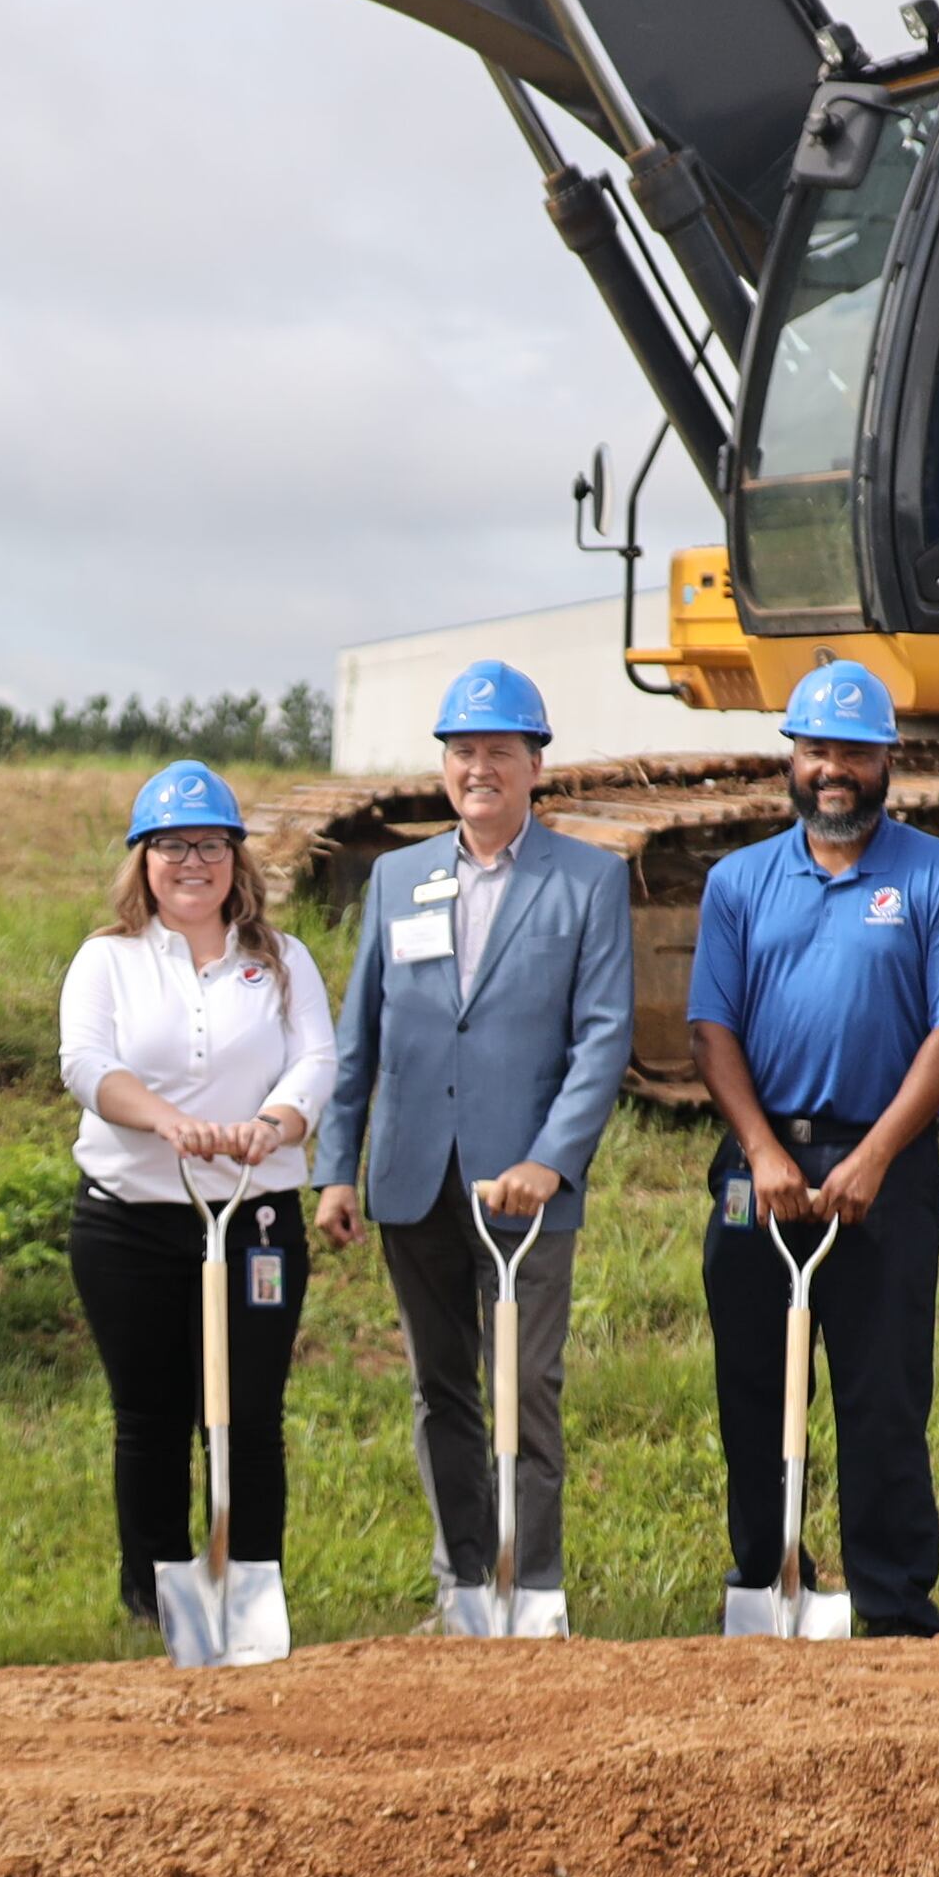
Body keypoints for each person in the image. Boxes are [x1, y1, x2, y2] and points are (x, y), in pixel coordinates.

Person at [312, 660, 633, 1630]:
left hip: (524, 1188)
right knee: (439, 1389)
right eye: (464, 751)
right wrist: (336, 1167)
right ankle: (462, 1586)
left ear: (537, 766)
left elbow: (604, 1034)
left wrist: (552, 1158)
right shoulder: (397, 878)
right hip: (413, 1177)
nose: (480, 766)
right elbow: (359, 1032)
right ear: (444, 768)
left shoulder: (588, 879)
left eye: (501, 749)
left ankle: (531, 1590)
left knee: (524, 1384)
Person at [687, 659, 939, 1638]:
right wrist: (764, 1152)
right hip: (760, 1170)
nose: (835, 770)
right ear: (792, 757)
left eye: (855, 752)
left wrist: (873, 1156)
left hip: (887, 1168)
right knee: (753, 1380)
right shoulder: (739, 882)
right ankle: (766, 1571)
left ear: (885, 762)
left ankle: (894, 1597)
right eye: (818, 749)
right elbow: (711, 1031)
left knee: (884, 1385)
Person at [58, 760, 336, 1627]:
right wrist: (168, 1122)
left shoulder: (282, 959)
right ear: (143, 859)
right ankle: (153, 1597)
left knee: (246, 1414)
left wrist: (277, 1123)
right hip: (130, 1222)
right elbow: (86, 1064)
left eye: (210, 844)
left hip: (253, 1219)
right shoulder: (109, 960)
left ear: (235, 858)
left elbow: (317, 1060)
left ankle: (250, 1589)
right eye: (172, 845)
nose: (192, 862)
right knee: (150, 1415)